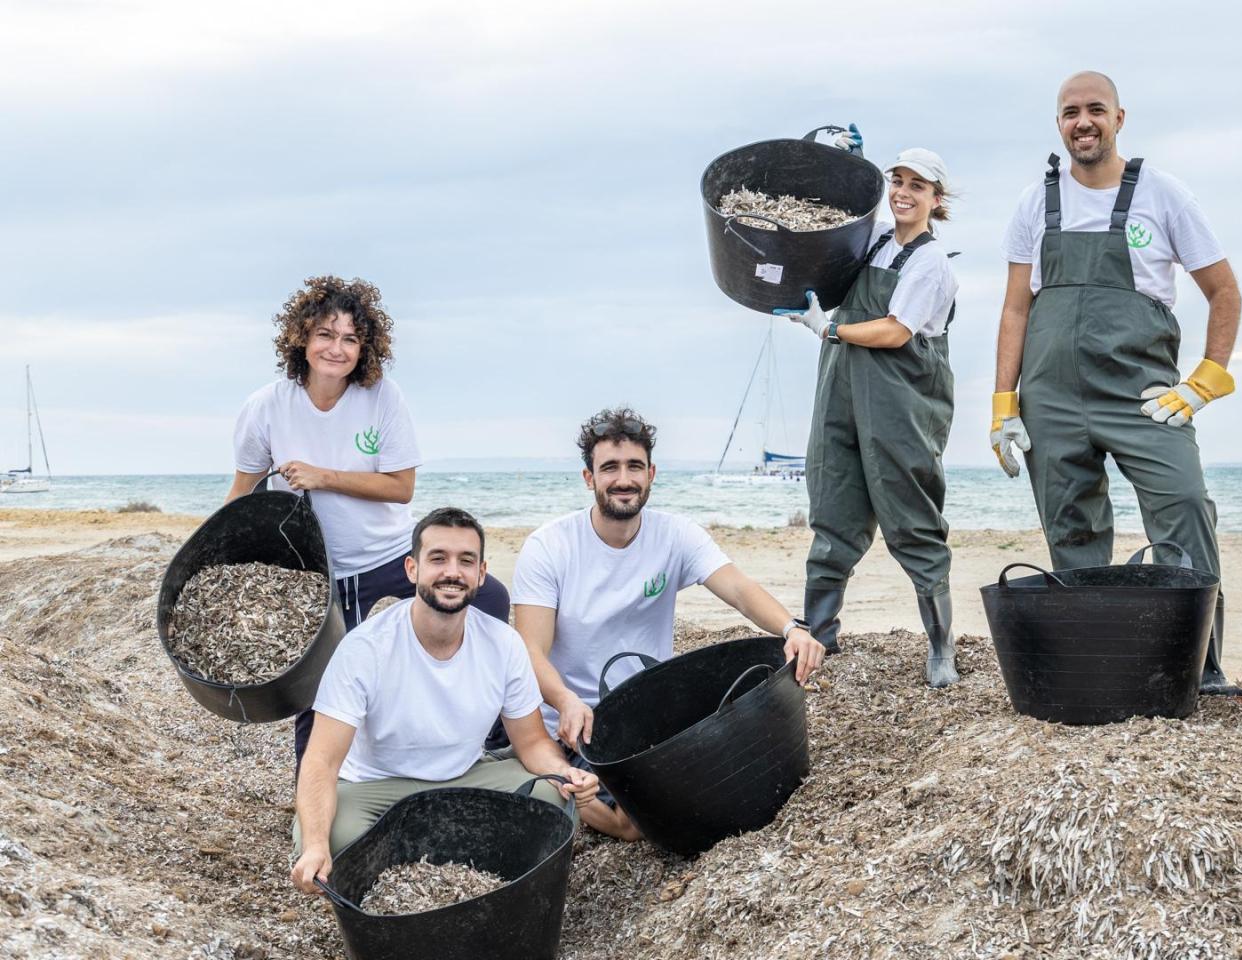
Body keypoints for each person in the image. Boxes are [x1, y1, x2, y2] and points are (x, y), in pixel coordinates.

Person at [989, 71, 1242, 696]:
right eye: (1071, 112)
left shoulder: (1164, 195)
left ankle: (1200, 666)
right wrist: (1004, 406)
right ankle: (1101, 657)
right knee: (1071, 527)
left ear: (1119, 118)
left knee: (1183, 505)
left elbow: (1224, 292)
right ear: (1059, 124)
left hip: (1142, 397)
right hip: (1050, 399)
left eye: (1095, 110)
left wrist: (1204, 382)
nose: (1083, 121)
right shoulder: (1034, 202)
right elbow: (1016, 308)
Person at [226, 276, 512, 762]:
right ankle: (311, 794)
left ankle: (489, 728)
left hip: (390, 556)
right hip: (320, 574)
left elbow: (401, 489)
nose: (336, 348)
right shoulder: (266, 407)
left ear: (366, 347)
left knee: (490, 598)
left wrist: (323, 476)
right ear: (301, 337)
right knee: (321, 683)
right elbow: (242, 492)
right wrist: (224, 559)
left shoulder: (382, 396)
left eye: (350, 339)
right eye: (325, 334)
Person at [510, 408, 826, 840]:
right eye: (610, 468)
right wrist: (565, 700)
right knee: (639, 824)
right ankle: (580, 795)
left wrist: (791, 629)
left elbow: (738, 589)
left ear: (651, 473)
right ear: (589, 478)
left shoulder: (675, 535)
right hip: (578, 722)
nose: (624, 479)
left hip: (648, 710)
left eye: (634, 466)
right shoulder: (549, 547)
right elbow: (529, 649)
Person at [289, 508, 599, 895]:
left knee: (553, 795)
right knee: (334, 849)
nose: (452, 571)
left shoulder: (504, 644)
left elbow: (533, 742)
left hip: (465, 775)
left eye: (465, 560)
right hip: (376, 785)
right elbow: (322, 759)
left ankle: (442, 850)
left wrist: (565, 773)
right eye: (438, 558)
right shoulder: (364, 648)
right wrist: (317, 842)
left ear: (481, 574)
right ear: (412, 569)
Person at [779, 141, 961, 686]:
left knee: (912, 518)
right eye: (897, 182)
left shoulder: (930, 264)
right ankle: (817, 636)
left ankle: (940, 646)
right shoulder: (874, 240)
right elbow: (828, 237)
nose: (904, 193)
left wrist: (828, 328)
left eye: (917, 186)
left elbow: (894, 331)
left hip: (900, 398)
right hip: (841, 389)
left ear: (936, 198)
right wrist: (839, 163)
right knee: (833, 509)